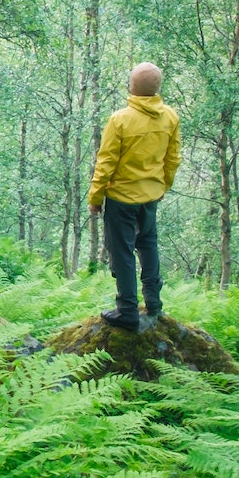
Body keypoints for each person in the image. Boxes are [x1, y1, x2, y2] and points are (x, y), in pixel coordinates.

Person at [87, 62, 181, 332]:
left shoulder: (120, 119)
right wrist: (163, 186)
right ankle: (153, 304)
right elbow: (172, 158)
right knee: (148, 244)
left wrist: (96, 196)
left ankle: (127, 310)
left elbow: (105, 163)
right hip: (151, 196)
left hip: (121, 198)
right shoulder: (170, 117)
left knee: (123, 251)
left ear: (132, 86)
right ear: (156, 88)